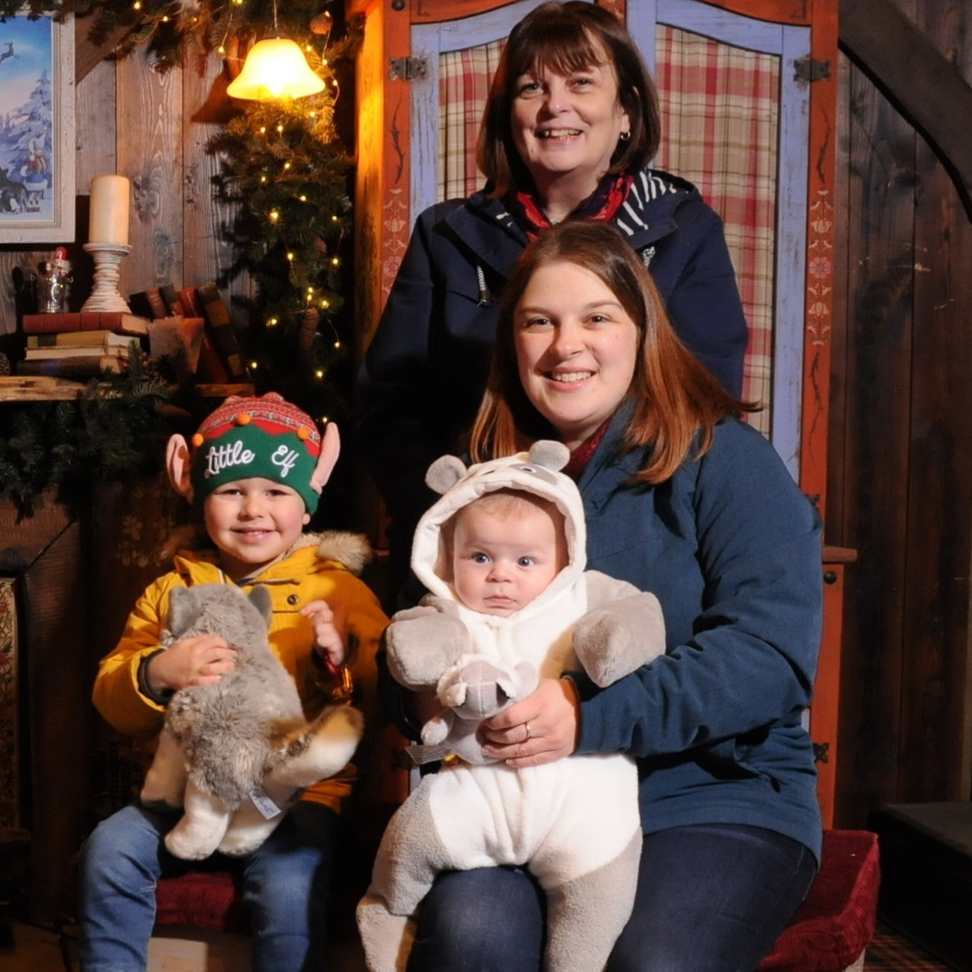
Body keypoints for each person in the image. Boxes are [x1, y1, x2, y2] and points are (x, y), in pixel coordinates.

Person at [383, 220, 823, 972]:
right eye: (538, 322)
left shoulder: (725, 462)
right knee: (473, 939)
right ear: (511, 343)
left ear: (641, 329)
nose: (565, 346)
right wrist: (428, 702)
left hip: (711, 795)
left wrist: (587, 716)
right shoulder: (484, 480)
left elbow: (769, 656)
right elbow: (418, 629)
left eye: (596, 317)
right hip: (523, 797)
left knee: (653, 961)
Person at [358, 0, 750, 599]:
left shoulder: (683, 229)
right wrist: (463, 519)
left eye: (581, 83)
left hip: (631, 553)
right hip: (479, 559)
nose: (554, 106)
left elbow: (703, 404)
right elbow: (389, 407)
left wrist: (595, 521)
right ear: (507, 115)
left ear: (626, 111)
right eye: (531, 87)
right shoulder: (447, 235)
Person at [77, 392, 389, 972]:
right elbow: (110, 697)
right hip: (184, 789)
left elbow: (386, 694)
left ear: (307, 504)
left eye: (275, 491)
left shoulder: (337, 590)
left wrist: (340, 664)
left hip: (297, 797)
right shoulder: (170, 592)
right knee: (109, 850)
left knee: (289, 881)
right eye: (231, 491)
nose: (252, 509)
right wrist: (155, 673)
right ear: (199, 498)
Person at [357, 443, 665, 972]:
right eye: (480, 557)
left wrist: (610, 638)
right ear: (447, 554)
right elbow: (411, 646)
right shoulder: (448, 607)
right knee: (408, 844)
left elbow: (643, 617)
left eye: (525, 561)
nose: (501, 575)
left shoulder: (582, 596)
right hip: (480, 791)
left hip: (582, 797)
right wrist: (423, 658)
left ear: (565, 557)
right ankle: (385, 911)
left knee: (596, 908)